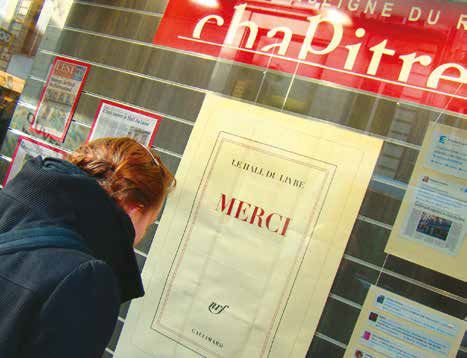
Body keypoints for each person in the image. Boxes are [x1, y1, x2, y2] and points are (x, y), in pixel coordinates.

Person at [0, 137, 175, 358]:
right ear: (134, 210)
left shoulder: (10, 211)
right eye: (148, 224)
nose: (142, 235)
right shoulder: (86, 279)